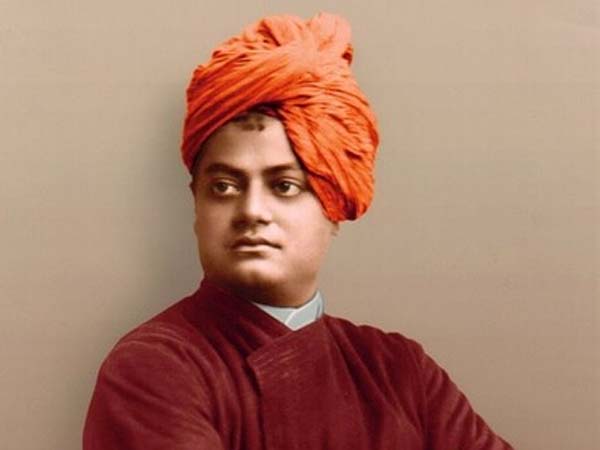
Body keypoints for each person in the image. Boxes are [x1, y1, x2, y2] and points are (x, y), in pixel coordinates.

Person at [83, 12, 514, 450]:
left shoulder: (400, 372)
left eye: (284, 186)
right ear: (197, 205)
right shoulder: (154, 368)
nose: (252, 210)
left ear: (333, 205)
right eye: (224, 187)